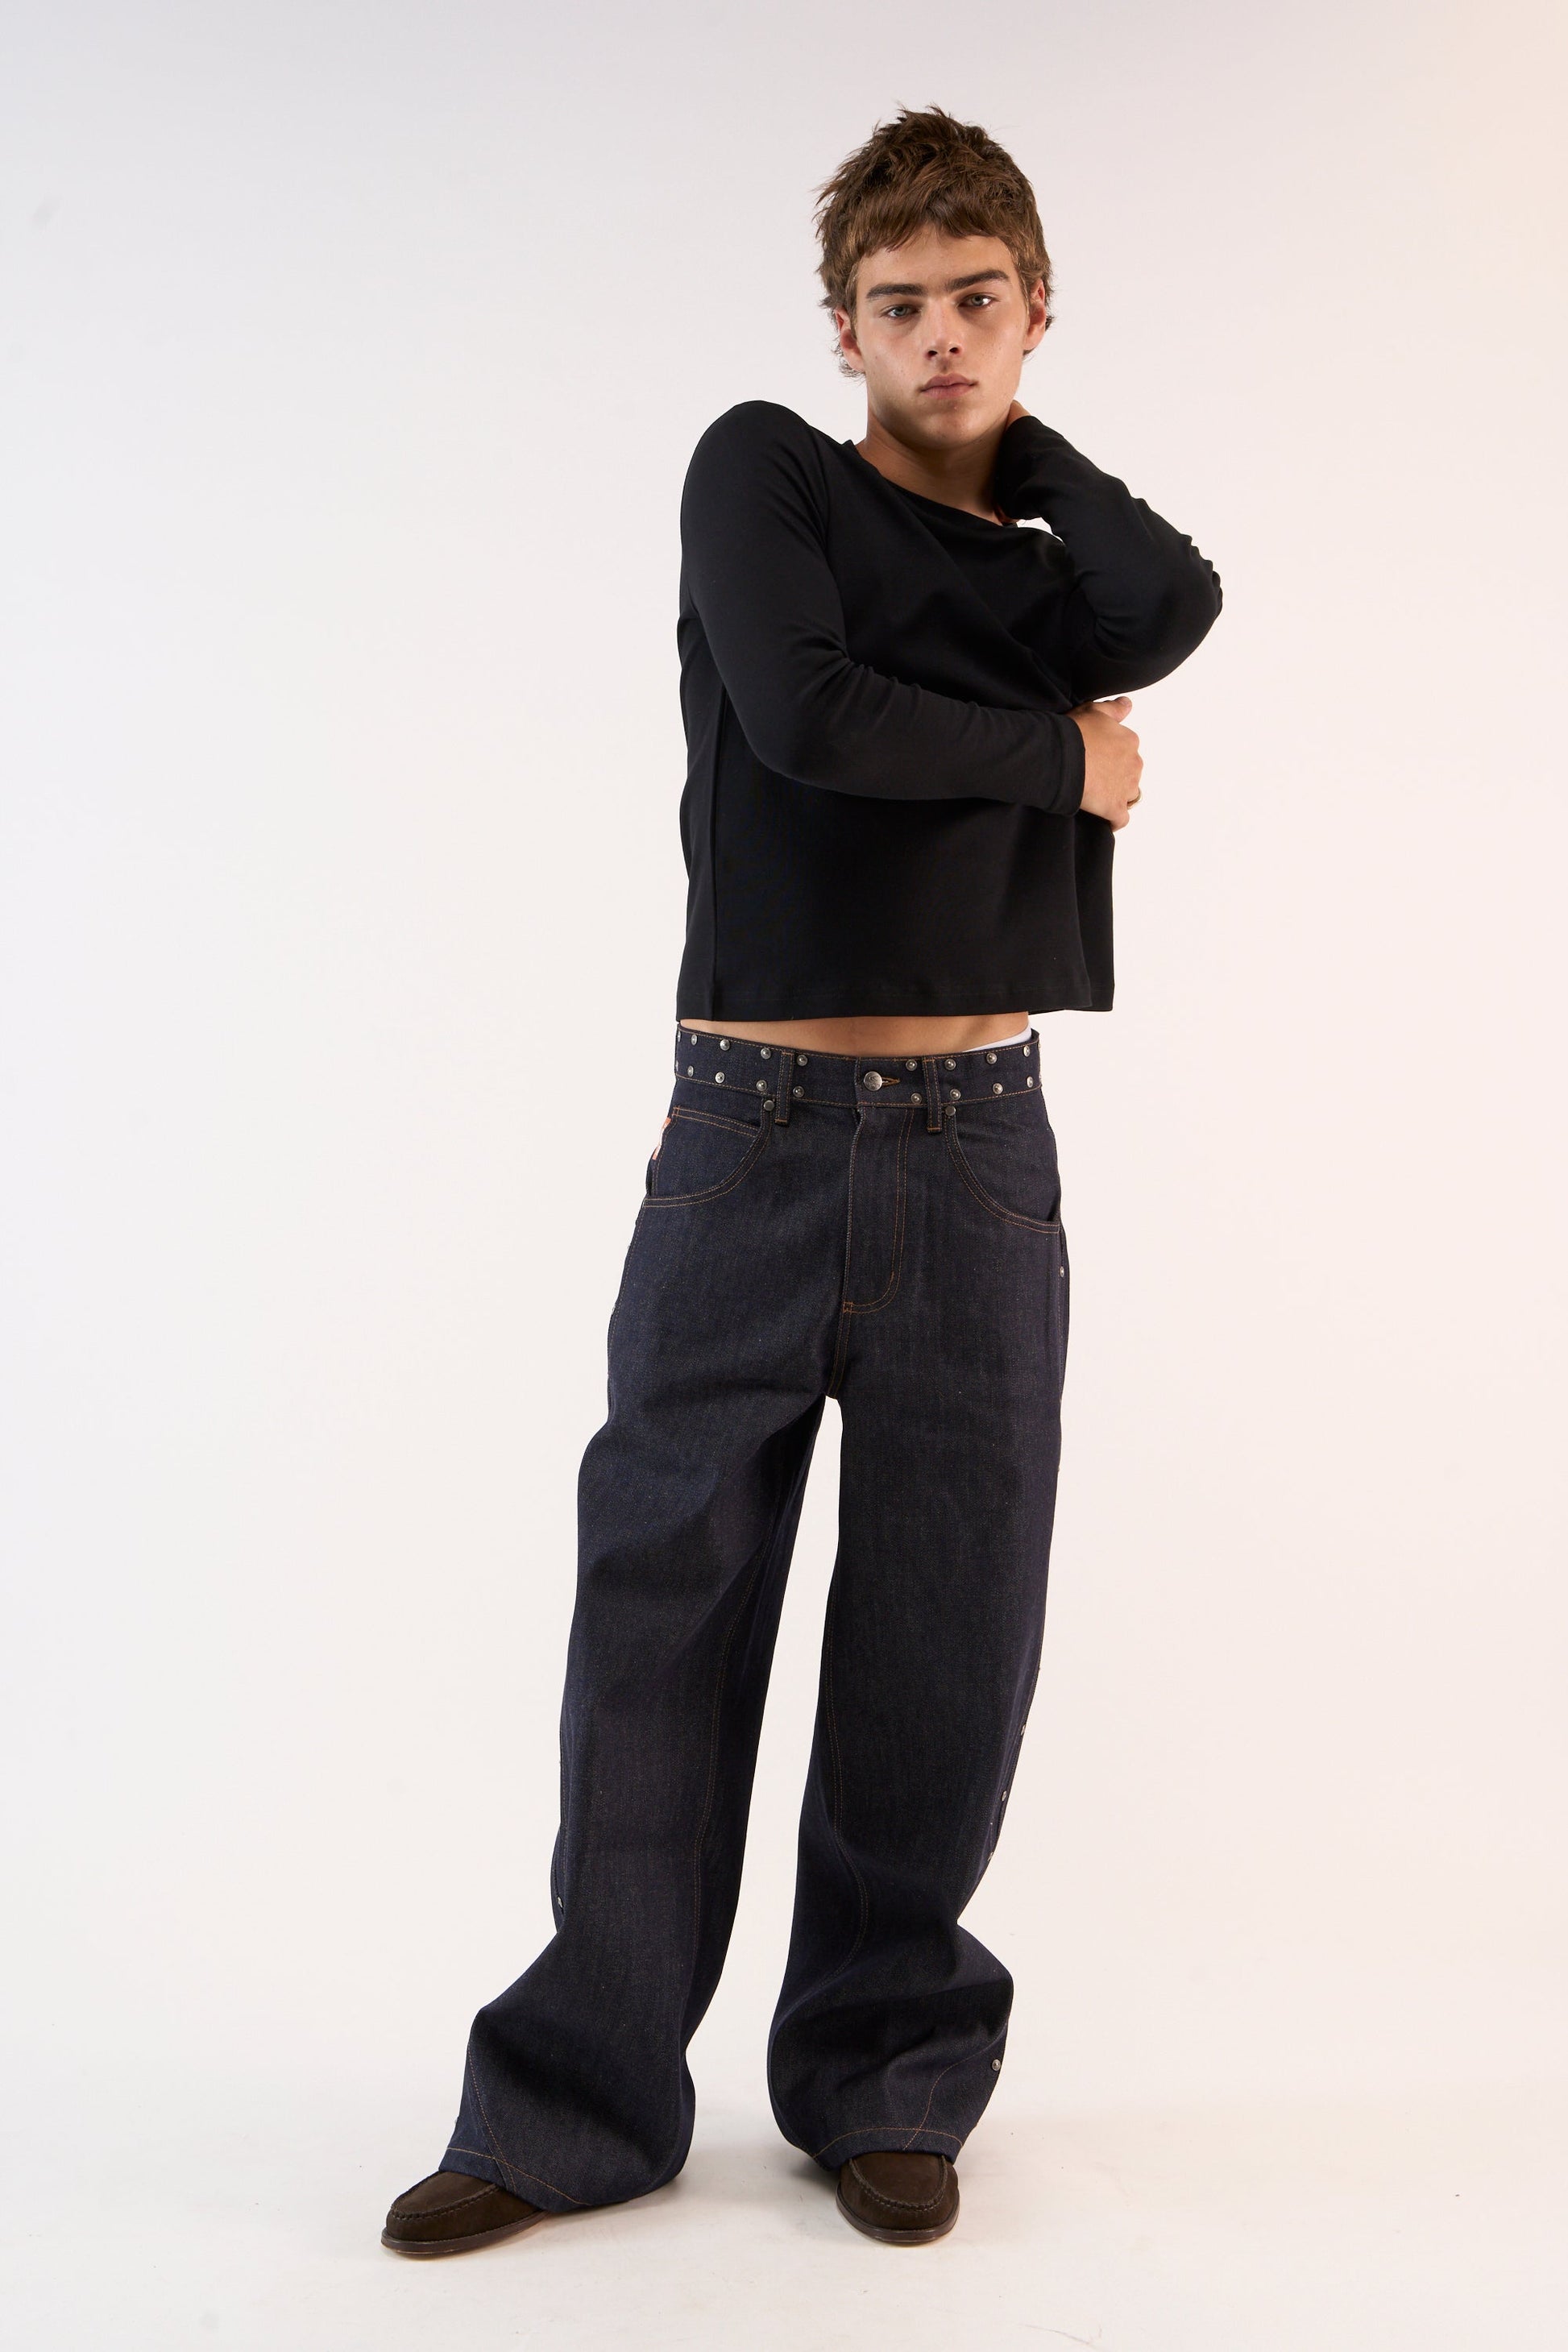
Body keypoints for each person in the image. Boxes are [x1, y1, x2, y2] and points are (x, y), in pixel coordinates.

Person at [382, 102, 1222, 2258]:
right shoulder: (761, 474)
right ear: (840, 325)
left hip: (980, 1150)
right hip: (749, 1130)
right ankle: (574, 2102)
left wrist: (1014, 453)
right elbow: (809, 716)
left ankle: (884, 2073)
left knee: (949, 1625)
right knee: (660, 1610)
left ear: (1034, 311)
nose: (936, 336)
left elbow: (1175, 599)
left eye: (975, 302)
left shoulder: (1043, 566)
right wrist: (1064, 760)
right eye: (898, 304)